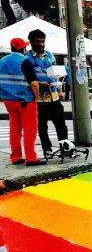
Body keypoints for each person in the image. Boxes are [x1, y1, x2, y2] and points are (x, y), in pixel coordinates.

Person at [0, 38, 45, 166]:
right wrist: (36, 98)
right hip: (25, 101)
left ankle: (15, 157)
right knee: (29, 130)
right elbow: (34, 84)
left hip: (8, 101)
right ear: (23, 49)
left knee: (14, 129)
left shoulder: (2, 61)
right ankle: (31, 158)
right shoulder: (24, 61)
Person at [26, 29, 69, 157]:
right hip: (39, 99)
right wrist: (41, 84)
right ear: (31, 42)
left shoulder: (50, 55)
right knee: (42, 127)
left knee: (61, 124)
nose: (41, 44)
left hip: (54, 96)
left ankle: (65, 147)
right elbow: (28, 78)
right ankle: (47, 149)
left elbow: (55, 73)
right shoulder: (27, 58)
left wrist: (60, 90)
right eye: (38, 41)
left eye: (43, 41)